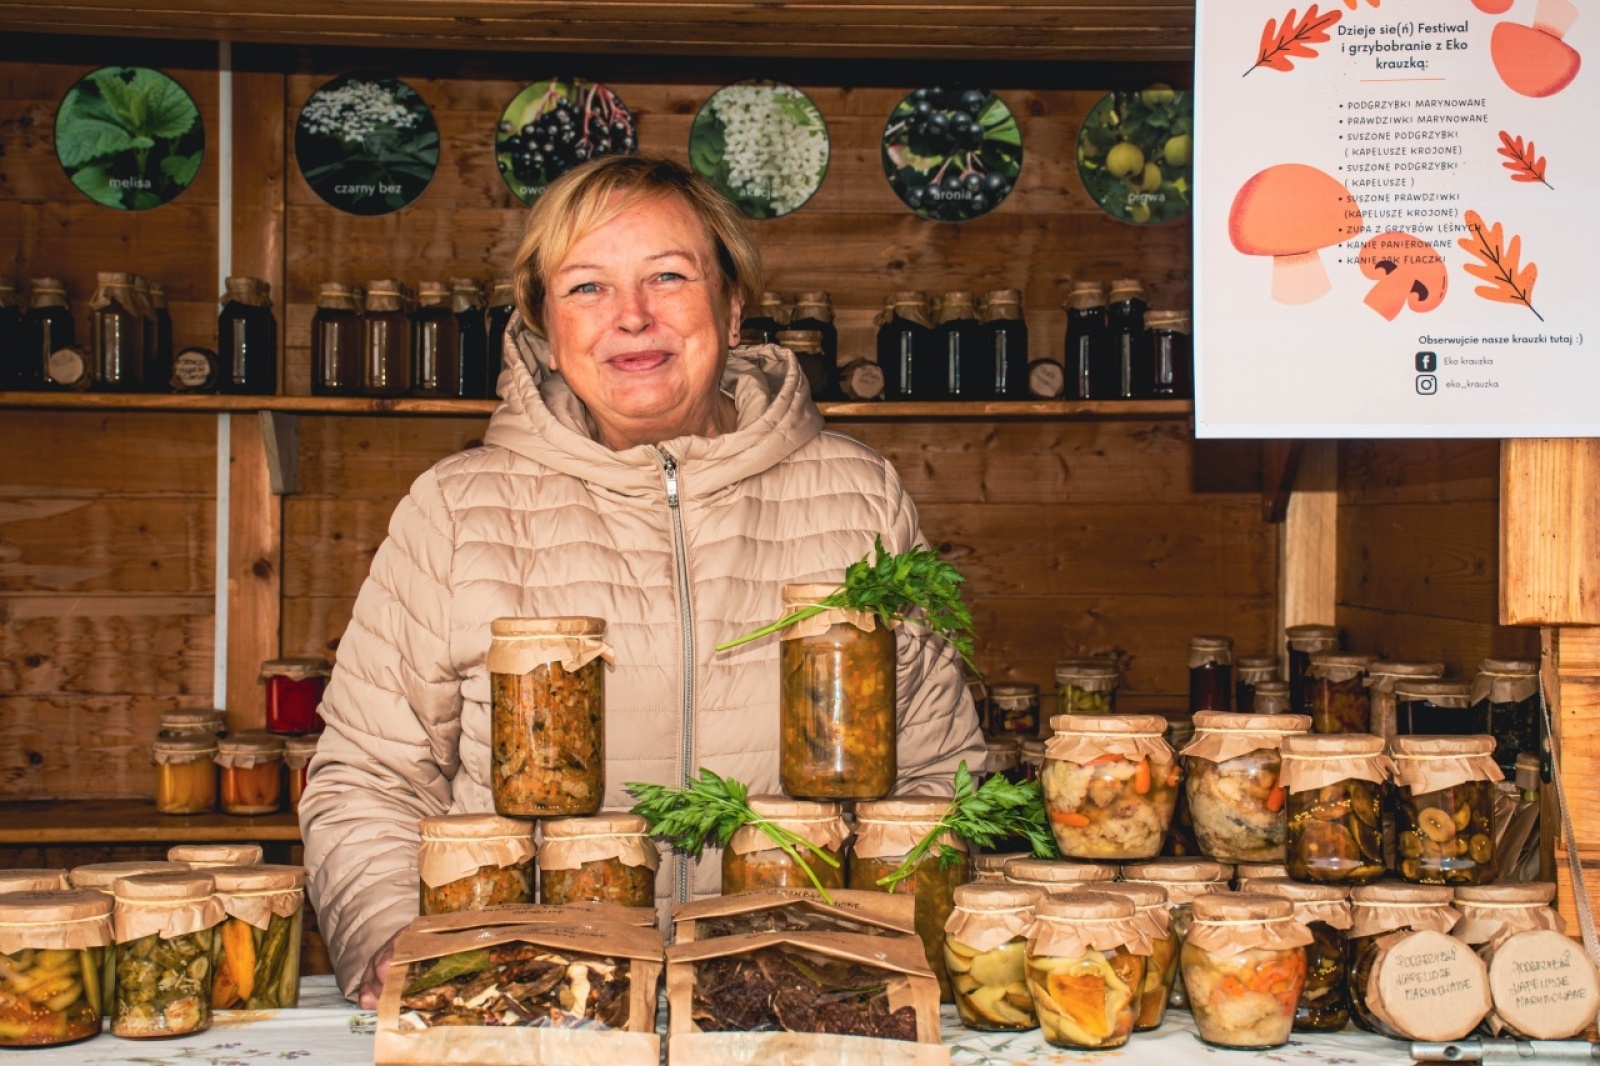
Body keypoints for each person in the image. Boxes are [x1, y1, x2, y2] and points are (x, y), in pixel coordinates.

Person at [299, 154, 985, 1004]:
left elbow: (936, 773)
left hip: (800, 1001)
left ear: (733, 309)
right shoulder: (455, 510)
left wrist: (885, 954)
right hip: (532, 1002)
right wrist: (387, 928)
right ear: (546, 327)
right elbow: (369, 774)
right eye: (587, 287)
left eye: (668, 276)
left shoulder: (858, 493)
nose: (631, 318)